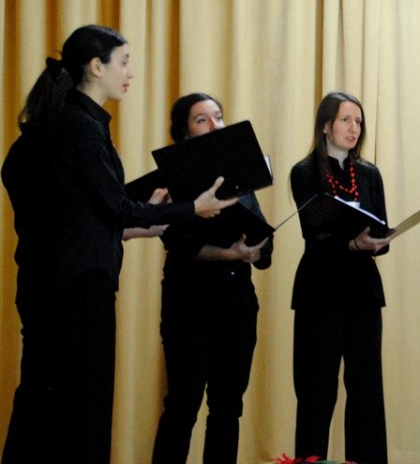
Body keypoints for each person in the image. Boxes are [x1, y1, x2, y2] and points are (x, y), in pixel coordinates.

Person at [44, 25, 237, 463]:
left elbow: (102, 213)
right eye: (124, 61)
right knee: (82, 406)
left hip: (87, 279)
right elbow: (113, 208)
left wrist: (146, 219)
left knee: (85, 403)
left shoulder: (87, 123)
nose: (130, 72)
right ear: (97, 67)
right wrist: (191, 209)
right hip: (79, 284)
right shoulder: (79, 126)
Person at [152, 93, 273, 464]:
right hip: (190, 304)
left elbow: (264, 243)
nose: (214, 125)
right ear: (184, 132)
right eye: (202, 119)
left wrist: (254, 250)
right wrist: (227, 253)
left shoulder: (241, 176)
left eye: (218, 117)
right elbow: (176, 241)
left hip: (237, 304)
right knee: (182, 404)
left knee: (228, 407)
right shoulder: (174, 178)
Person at [290, 91, 395, 464]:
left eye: (359, 121)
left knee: (367, 391)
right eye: (346, 120)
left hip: (363, 291)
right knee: (316, 391)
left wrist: (378, 241)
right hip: (320, 291)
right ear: (325, 125)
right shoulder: (304, 171)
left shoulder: (368, 173)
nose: (354, 128)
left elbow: (381, 229)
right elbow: (313, 233)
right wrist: (350, 242)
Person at [1, 59, 73, 463]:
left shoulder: (21, 151)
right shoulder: (58, 152)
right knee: (63, 394)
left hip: (34, 278)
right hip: (66, 281)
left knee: (36, 387)